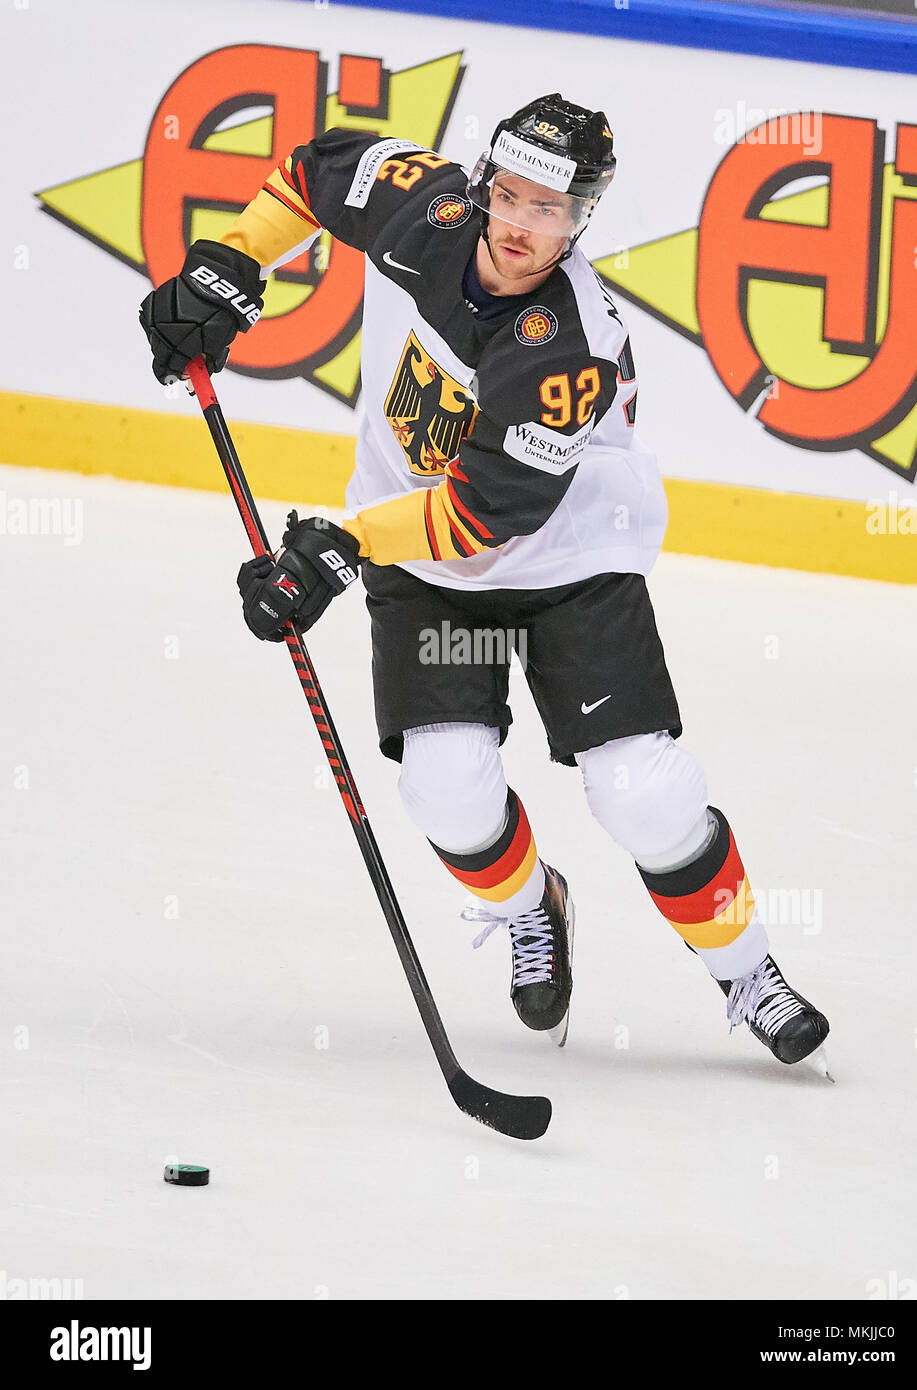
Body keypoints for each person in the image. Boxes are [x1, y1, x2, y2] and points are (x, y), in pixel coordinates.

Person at [140, 94, 830, 1066]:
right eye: (511, 196)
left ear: (583, 216)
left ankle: (746, 968)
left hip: (571, 563)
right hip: (422, 563)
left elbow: (480, 515)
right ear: (481, 184)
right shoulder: (425, 211)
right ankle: (530, 906)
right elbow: (311, 171)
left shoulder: (567, 348)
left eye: (553, 211)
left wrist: (335, 545)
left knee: (643, 792)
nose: (523, 227)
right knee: (446, 792)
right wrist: (234, 262)